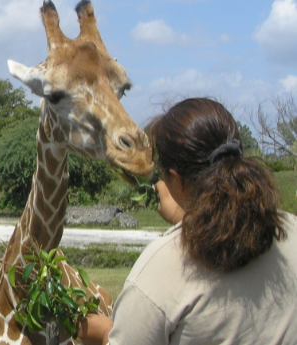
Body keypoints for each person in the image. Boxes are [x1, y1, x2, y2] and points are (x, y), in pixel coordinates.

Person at [78, 98, 297, 345]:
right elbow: (227, 227)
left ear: (176, 180)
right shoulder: (290, 230)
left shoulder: (159, 271)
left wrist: (105, 332)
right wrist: (183, 218)